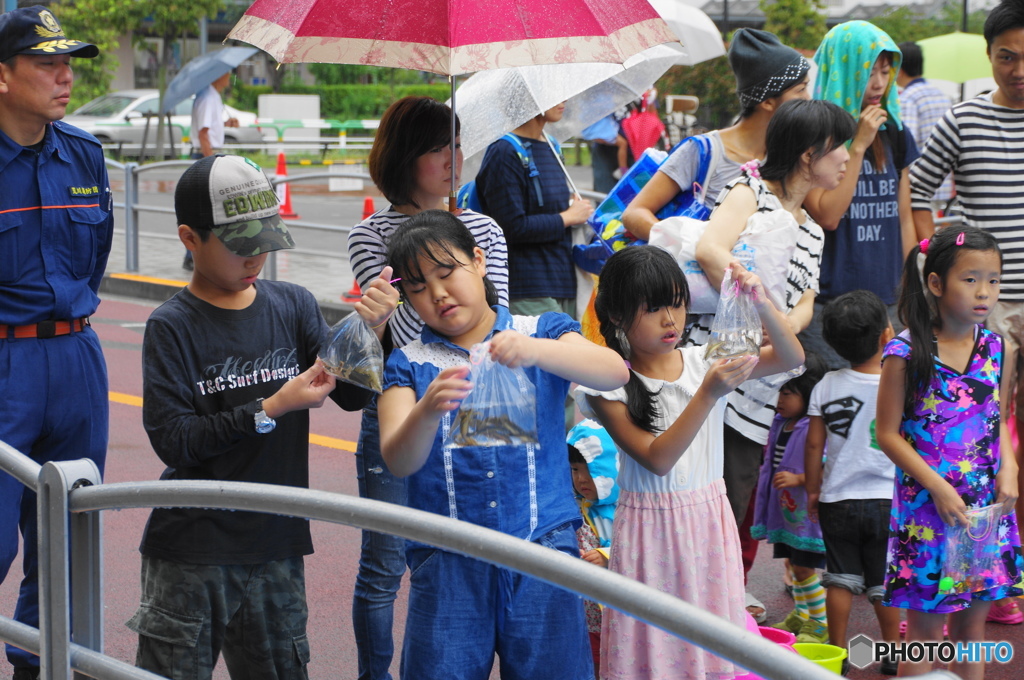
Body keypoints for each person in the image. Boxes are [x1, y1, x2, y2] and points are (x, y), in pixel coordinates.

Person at [127, 154, 396, 680]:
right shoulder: (171, 326)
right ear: (190, 239)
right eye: (239, 245)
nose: (256, 258)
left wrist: (370, 327)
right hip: (192, 551)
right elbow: (174, 441)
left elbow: (349, 396)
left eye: (265, 242)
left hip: (275, 544)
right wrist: (272, 407)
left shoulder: (292, 304)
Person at [377, 210, 628, 680]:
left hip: (542, 548)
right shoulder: (408, 363)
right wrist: (427, 411)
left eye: (446, 271)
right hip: (447, 557)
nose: (437, 294)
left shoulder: (542, 330)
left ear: (478, 260)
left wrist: (536, 352)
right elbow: (398, 459)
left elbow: (614, 371)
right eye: (417, 286)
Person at [577, 246, 804, 679]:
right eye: (654, 309)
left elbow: (792, 357)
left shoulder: (704, 358)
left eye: (677, 304)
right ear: (620, 316)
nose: (671, 320)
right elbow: (657, 460)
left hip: (708, 520)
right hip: (650, 529)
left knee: (711, 635)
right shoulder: (609, 385)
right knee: (654, 641)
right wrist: (708, 394)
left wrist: (760, 301)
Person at [345, 95, 510, 680]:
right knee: (385, 562)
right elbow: (409, 337)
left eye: (457, 145)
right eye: (437, 148)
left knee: (483, 550)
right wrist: (434, 262)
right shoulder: (370, 235)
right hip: (401, 407)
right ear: (404, 157)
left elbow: (496, 324)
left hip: (480, 403)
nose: (453, 159)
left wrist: (458, 253)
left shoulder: (483, 229)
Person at [692, 99, 855, 615]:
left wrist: (780, 325)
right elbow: (711, 250)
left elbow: (806, 306)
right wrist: (764, 305)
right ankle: (692, 608)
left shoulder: (811, 229)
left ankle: (715, 607)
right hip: (711, 372)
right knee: (695, 495)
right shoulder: (749, 191)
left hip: (760, 389)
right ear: (809, 155)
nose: (848, 159)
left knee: (732, 500)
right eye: (840, 148)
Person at [0, 7, 109, 679]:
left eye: (69, 63)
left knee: (67, 541)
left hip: (76, 359)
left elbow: (91, 264)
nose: (64, 77)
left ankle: (35, 666)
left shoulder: (85, 154)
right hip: (4, 359)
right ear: (4, 76)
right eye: (46, 64)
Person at [908, 2, 1024, 589]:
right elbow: (921, 189)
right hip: (987, 310)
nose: (1019, 69)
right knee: (985, 436)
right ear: (990, 56)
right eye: (1008, 56)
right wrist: (942, 270)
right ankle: (990, 575)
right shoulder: (962, 120)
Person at [876, 226, 1024, 680]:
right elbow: (887, 434)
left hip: (981, 508)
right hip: (926, 510)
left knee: (972, 626)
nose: (985, 292)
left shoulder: (999, 348)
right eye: (971, 279)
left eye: (994, 280)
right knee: (922, 631)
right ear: (936, 284)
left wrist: (1011, 465)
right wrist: (937, 487)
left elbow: (996, 416)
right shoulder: (905, 351)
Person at [800, 21, 920, 370]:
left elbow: (904, 215)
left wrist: (911, 290)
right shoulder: (816, 134)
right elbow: (828, 216)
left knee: (886, 405)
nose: (880, 84)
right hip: (831, 306)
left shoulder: (894, 131)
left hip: (887, 303)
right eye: (870, 71)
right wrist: (859, 144)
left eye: (886, 71)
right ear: (844, 69)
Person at [621, 28, 811, 242]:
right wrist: (691, 249)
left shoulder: (791, 155)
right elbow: (634, 213)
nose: (808, 97)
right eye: (801, 89)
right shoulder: (703, 151)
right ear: (767, 102)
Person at [803, 290, 900, 675]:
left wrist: (813, 489)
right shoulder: (900, 382)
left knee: (840, 580)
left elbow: (814, 443)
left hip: (837, 498)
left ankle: (837, 654)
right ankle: (893, 653)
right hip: (888, 499)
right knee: (884, 582)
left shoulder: (826, 384)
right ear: (886, 335)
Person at [475, 102, 594, 317]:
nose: (563, 100)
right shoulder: (504, 152)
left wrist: (571, 208)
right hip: (527, 287)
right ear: (528, 98)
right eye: (552, 94)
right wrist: (567, 217)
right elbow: (511, 227)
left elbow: (545, 208)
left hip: (562, 279)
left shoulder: (552, 146)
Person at [750, 354, 828, 644]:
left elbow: (827, 464)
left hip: (804, 517)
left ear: (808, 396)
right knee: (795, 565)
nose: (780, 398)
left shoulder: (814, 426)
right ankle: (803, 614)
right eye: (779, 391)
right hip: (785, 512)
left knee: (805, 567)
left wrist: (799, 479)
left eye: (788, 393)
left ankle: (820, 622)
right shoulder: (782, 423)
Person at [567, 418, 620, 676]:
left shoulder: (625, 509)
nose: (581, 479)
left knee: (619, 663)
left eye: (590, 469)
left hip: (616, 614)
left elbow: (640, 549)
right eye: (574, 470)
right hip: (585, 615)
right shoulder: (572, 506)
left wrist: (607, 556)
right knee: (591, 664)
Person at [183, 69, 239, 270]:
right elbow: (204, 133)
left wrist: (225, 124)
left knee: (208, 208)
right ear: (217, 75)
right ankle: (193, 256)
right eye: (228, 73)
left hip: (208, 153)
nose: (230, 77)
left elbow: (209, 128)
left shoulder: (211, 96)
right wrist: (210, 164)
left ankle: (198, 256)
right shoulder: (208, 97)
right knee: (206, 209)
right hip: (206, 155)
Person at [895, 41, 953, 205]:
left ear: (900, 69)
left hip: (919, 187)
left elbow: (906, 143)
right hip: (943, 183)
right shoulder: (940, 95)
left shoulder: (907, 98)